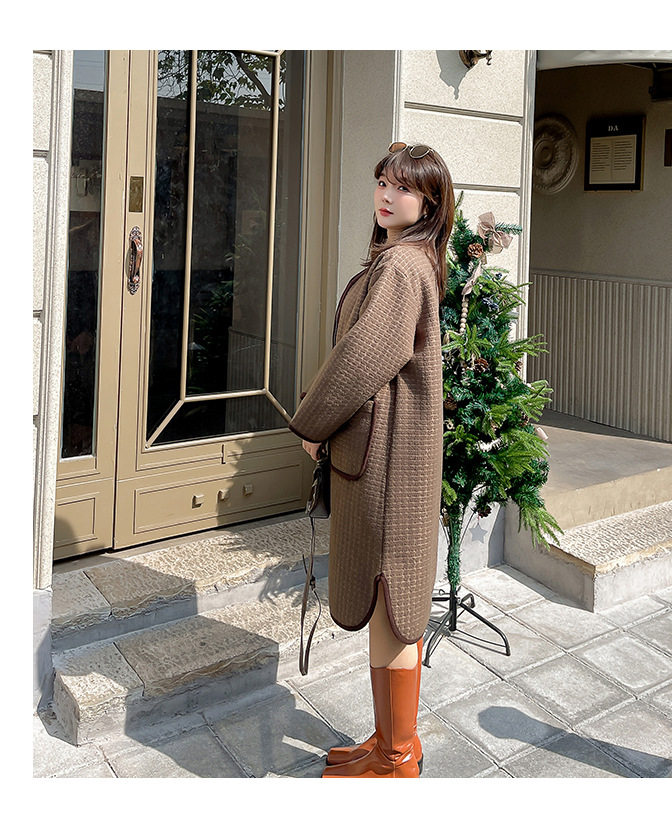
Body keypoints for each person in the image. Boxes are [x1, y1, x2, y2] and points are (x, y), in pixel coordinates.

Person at [287, 142, 454, 778]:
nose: (387, 195)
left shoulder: (402, 266)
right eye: (383, 182)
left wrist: (313, 425)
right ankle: (390, 742)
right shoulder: (405, 259)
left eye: (404, 188)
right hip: (388, 460)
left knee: (392, 603)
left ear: (429, 204)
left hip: (387, 466)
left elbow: (364, 358)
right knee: (391, 603)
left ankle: (396, 757)